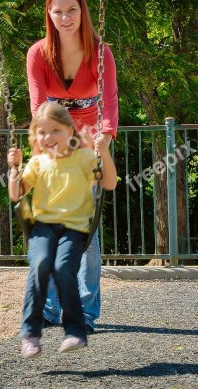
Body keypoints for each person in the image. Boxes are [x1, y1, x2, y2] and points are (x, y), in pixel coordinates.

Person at [26, 0, 118, 333]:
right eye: (57, 11)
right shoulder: (38, 54)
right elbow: (38, 105)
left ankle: (86, 309)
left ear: (83, 12)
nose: (65, 17)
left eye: (72, 10)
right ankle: (49, 308)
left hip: (89, 140)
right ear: (49, 15)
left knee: (86, 230)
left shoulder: (99, 53)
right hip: (53, 141)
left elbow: (108, 101)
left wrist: (105, 138)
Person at [8, 102, 117, 359]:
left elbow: (109, 183)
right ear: (36, 137)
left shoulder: (84, 158)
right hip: (43, 227)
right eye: (42, 132)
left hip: (75, 227)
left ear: (70, 131)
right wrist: (13, 169)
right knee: (40, 264)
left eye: (55, 130)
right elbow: (16, 194)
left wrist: (103, 151)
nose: (48, 137)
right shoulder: (37, 162)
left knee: (63, 267)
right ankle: (31, 334)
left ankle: (75, 331)